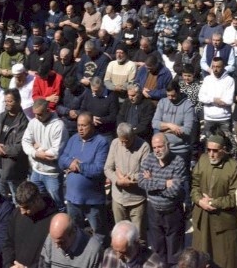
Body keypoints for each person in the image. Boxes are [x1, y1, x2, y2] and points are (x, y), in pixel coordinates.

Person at [190, 134, 237, 268]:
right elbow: (194, 186)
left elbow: (235, 197)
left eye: (215, 151)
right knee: (201, 258)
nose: (211, 154)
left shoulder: (233, 167)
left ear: (223, 150)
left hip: (223, 222)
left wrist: (213, 203)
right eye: (209, 150)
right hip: (203, 219)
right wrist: (200, 200)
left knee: (225, 259)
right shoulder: (202, 160)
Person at [59, 112, 111, 242]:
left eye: (84, 126)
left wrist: (79, 167)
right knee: (75, 232)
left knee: (99, 234)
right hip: (72, 199)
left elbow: (99, 169)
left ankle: (100, 258)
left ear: (92, 125)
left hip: (92, 200)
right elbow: (62, 159)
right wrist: (71, 162)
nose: (80, 129)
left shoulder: (101, 142)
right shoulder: (73, 139)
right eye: (78, 125)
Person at [139, 133, 187, 268]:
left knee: (175, 252)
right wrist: (165, 183)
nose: (157, 150)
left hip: (173, 212)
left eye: (160, 146)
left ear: (168, 146)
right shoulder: (149, 159)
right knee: (158, 251)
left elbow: (175, 190)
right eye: (154, 147)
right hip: (154, 211)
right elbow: (142, 182)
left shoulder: (178, 161)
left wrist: (152, 181)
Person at [22, 97, 68, 208]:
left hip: (52, 174)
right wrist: (37, 153)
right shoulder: (33, 123)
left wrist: (36, 148)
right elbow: (25, 142)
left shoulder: (59, 126)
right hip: (36, 171)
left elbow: (55, 153)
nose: (37, 117)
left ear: (48, 110)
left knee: (58, 204)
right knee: (37, 202)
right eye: (35, 114)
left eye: (40, 114)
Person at [104, 123, 149, 237]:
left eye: (127, 141)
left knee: (138, 237)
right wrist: (118, 180)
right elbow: (107, 168)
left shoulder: (144, 147)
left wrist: (129, 178)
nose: (124, 144)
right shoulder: (115, 143)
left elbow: (146, 174)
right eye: (121, 141)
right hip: (118, 198)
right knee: (120, 235)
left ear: (133, 136)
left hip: (137, 200)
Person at [0, 88, 29, 201]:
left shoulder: (24, 123)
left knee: (18, 200)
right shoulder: (1, 117)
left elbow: (20, 148)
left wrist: (1, 149)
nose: (7, 104)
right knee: (0, 200)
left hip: (14, 170)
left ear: (18, 101)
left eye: (10, 101)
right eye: (5, 101)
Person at [4, 180, 58, 268]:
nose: (22, 212)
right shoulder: (16, 214)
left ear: (37, 200)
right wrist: (9, 265)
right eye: (20, 207)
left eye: (26, 207)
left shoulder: (55, 223)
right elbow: (8, 242)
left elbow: (53, 257)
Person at [39, 213, 103, 268]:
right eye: (53, 241)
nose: (56, 246)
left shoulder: (93, 250)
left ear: (73, 232)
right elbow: (43, 265)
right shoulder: (51, 238)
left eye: (61, 242)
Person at [101, 220, 165, 268]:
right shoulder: (109, 254)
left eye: (123, 252)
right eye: (114, 249)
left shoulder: (154, 265)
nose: (118, 256)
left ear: (136, 243)